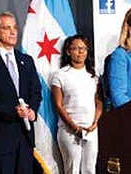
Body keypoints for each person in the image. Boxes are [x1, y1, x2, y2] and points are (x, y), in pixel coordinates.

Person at [0, 12, 42, 174]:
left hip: (25, 137)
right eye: (7, 28)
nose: (13, 32)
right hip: (2, 139)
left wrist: (32, 111)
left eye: (15, 28)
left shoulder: (27, 60)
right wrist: (12, 111)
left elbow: (36, 91)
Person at [51, 35, 102, 174]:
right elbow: (58, 105)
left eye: (84, 49)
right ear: (68, 51)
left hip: (91, 130)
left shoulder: (93, 74)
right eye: (76, 48)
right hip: (69, 131)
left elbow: (98, 101)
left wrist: (95, 122)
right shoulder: (60, 75)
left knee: (90, 169)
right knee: (72, 169)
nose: (81, 52)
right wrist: (74, 127)